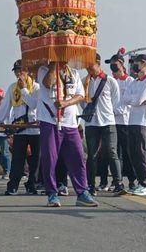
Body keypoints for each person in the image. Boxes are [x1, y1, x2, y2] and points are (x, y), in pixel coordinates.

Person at [37, 61, 98, 207]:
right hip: (50, 120)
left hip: (70, 123)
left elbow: (81, 95)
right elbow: (47, 84)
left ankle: (82, 192)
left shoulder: (74, 73)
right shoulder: (43, 70)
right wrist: (53, 66)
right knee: (50, 159)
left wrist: (66, 103)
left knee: (78, 158)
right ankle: (52, 193)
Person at [0, 60, 40, 195]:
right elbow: (5, 107)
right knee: (17, 159)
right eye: (16, 71)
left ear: (28, 71)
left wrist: (24, 89)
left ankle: (32, 184)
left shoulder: (36, 87)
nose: (19, 74)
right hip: (19, 129)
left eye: (21, 70)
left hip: (35, 129)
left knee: (35, 160)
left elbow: (33, 105)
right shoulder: (12, 87)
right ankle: (13, 186)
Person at [83, 54, 126, 196]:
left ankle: (118, 184)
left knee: (112, 152)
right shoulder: (85, 82)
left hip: (108, 121)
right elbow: (82, 101)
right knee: (92, 155)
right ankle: (91, 186)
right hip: (91, 123)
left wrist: (105, 112)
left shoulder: (110, 81)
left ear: (98, 63)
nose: (88, 68)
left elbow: (115, 100)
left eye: (90, 65)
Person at [122, 54, 146, 196]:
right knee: (133, 153)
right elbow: (125, 99)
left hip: (143, 122)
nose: (133, 65)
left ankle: (144, 184)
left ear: (144, 63)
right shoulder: (134, 82)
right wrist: (135, 100)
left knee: (141, 152)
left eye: (136, 63)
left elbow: (138, 99)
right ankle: (137, 182)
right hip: (132, 121)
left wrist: (136, 100)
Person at [102, 52, 136, 191]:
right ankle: (117, 180)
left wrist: (116, 111)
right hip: (111, 121)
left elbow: (128, 103)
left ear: (122, 64)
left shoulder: (130, 81)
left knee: (127, 152)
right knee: (113, 152)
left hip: (124, 122)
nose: (113, 69)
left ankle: (132, 180)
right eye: (111, 66)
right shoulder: (111, 81)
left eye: (115, 65)